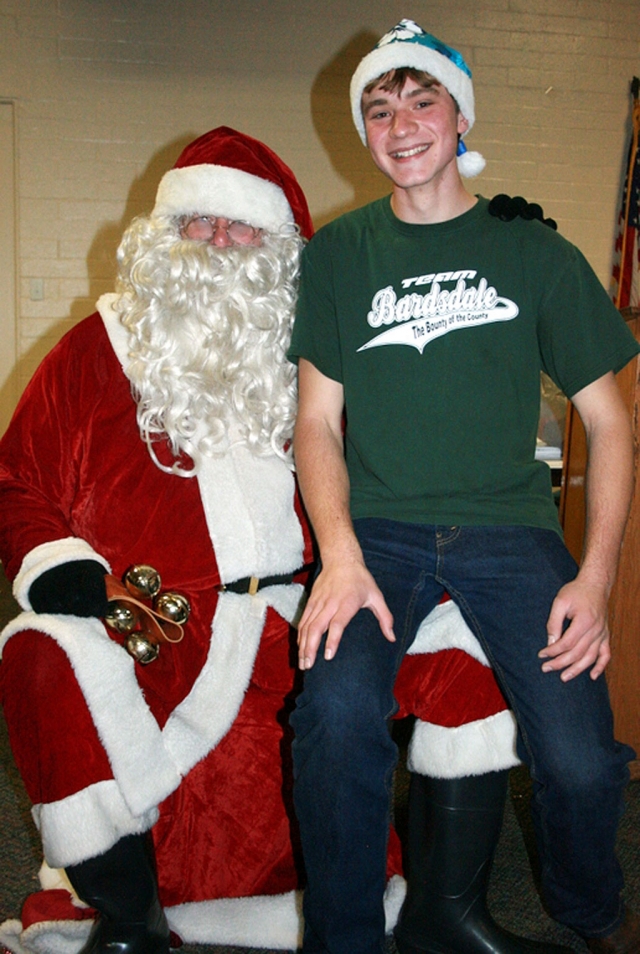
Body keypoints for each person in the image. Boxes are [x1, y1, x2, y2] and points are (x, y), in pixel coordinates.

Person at [0, 124, 526, 954]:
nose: (214, 243)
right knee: (37, 650)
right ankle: (130, 924)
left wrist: (500, 250)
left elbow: (425, 422)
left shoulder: (327, 354)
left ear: (281, 247)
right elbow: (19, 482)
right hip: (158, 629)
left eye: (239, 225)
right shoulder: (92, 352)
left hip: (305, 616)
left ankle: (449, 914)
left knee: (467, 638)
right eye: (196, 224)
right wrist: (57, 563)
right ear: (162, 237)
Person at [288, 17, 640, 954]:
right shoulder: (338, 254)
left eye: (421, 99)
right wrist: (340, 556)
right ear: (363, 133)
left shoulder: (537, 254)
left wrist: (595, 578)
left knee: (581, 760)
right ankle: (346, 938)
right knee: (332, 715)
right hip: (381, 530)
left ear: (459, 115)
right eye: (379, 107)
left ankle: (588, 908)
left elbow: (609, 421)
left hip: (509, 530)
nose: (400, 123)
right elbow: (316, 422)